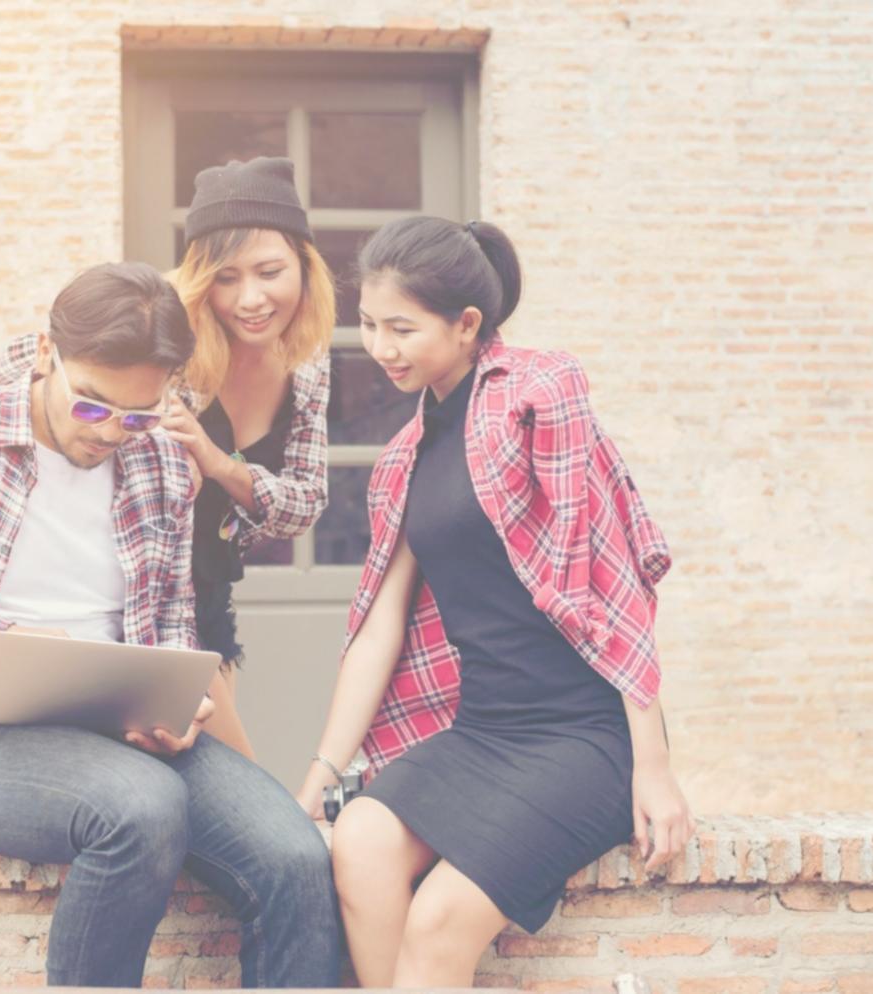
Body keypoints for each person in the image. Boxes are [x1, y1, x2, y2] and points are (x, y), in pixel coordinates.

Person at [0, 261, 339, 989]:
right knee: (139, 808)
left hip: (119, 729)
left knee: (296, 857)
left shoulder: (163, 464)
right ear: (48, 353)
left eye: (139, 413)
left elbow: (171, 623)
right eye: (91, 406)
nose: (114, 431)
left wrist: (175, 706)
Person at [294, 217, 695, 987]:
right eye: (370, 325)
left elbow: (606, 578)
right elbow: (378, 626)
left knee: (439, 922)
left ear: (467, 324)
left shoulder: (538, 393)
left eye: (402, 329)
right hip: (483, 728)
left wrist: (653, 765)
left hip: (584, 734)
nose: (381, 348)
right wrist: (318, 776)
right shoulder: (407, 455)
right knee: (360, 842)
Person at [0, 157, 335, 757]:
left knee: (197, 771)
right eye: (225, 277)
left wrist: (219, 465)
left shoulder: (308, 368)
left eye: (270, 271)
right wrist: (125, 420)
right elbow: (20, 365)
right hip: (136, 580)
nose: (250, 298)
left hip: (206, 594)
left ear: (305, 269)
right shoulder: (165, 336)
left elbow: (305, 503)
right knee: (241, 778)